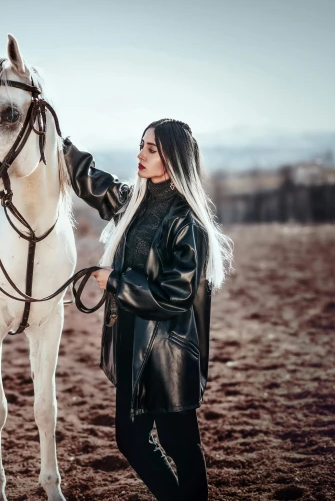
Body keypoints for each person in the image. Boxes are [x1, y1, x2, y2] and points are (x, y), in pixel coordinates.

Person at [62, 119, 234, 500]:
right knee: (131, 440)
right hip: (130, 341)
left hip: (169, 354)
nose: (140, 154)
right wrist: (60, 145)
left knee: (181, 447)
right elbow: (94, 183)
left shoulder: (187, 223)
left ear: (173, 157)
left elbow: (175, 295)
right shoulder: (133, 203)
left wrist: (116, 284)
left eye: (151, 149)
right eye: (141, 145)